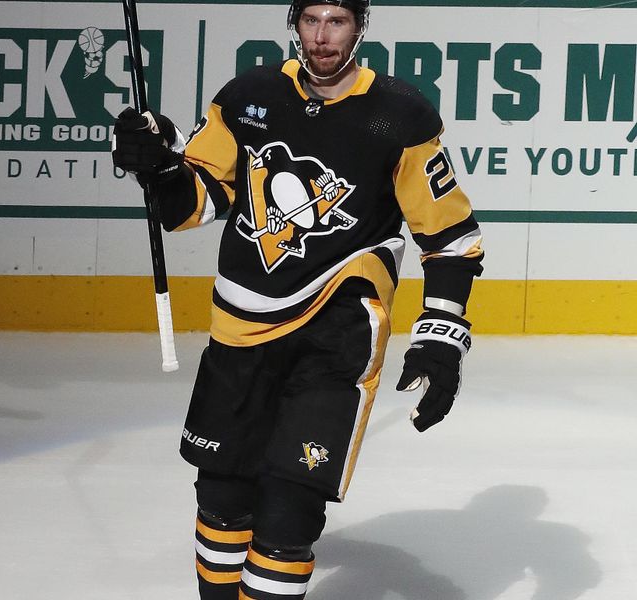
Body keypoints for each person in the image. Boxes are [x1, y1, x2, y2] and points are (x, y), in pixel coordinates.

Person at [112, 0, 484, 597]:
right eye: (312, 20)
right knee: (224, 501)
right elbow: (195, 203)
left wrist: (442, 337)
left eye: (337, 21)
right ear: (294, 25)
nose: (322, 36)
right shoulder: (248, 97)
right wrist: (157, 168)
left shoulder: (399, 117)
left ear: (361, 28)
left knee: (288, 515)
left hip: (335, 342)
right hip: (240, 331)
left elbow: (450, 238)